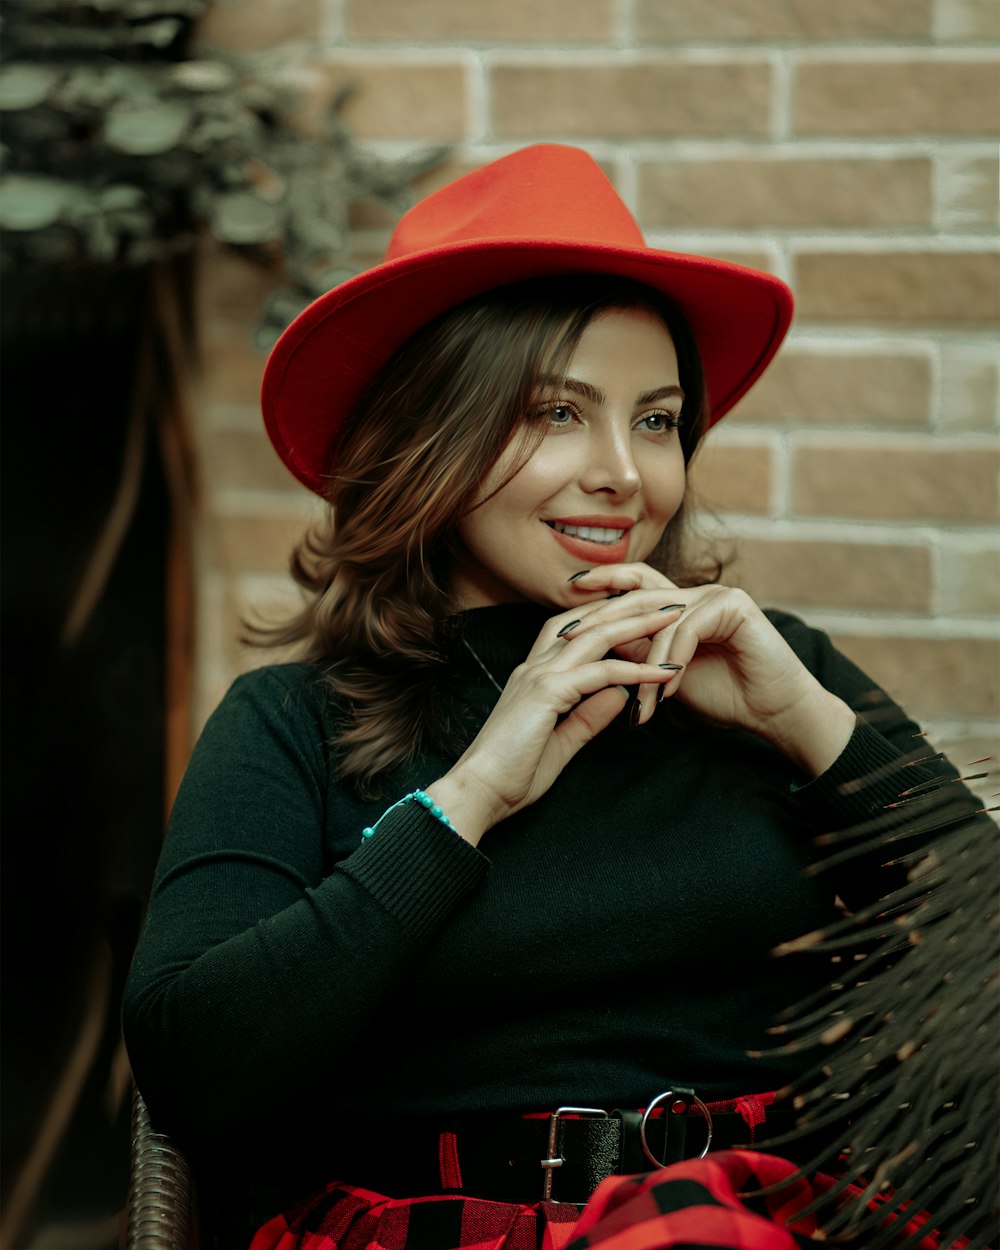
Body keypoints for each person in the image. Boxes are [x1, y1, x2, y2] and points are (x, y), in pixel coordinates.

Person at [122, 145, 993, 1250]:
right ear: (426, 435)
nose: (623, 473)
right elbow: (198, 1070)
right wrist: (472, 793)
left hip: (777, 1209)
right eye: (555, 412)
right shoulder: (294, 719)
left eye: (657, 420)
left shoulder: (775, 671)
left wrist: (810, 725)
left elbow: (986, 952)